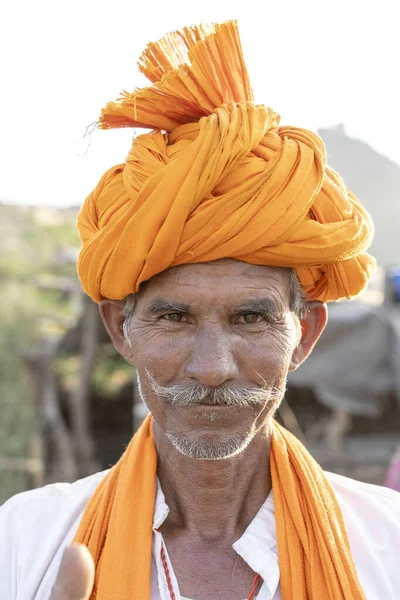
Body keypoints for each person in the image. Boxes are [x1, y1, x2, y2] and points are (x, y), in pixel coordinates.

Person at [1, 20, 399, 600]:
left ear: (306, 333)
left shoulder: (388, 546)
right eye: (175, 318)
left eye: (250, 319)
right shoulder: (24, 544)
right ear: (121, 329)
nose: (212, 368)